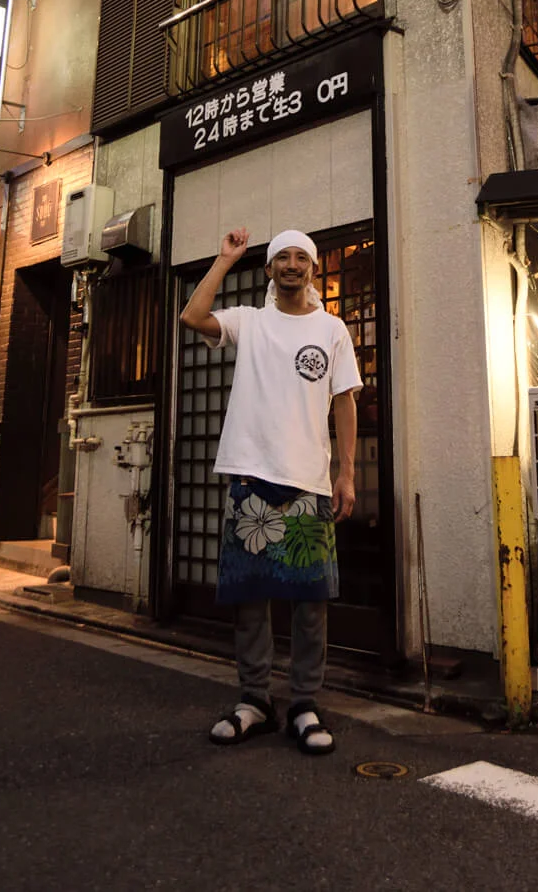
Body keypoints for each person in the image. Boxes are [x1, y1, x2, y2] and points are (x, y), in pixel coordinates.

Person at [180, 227, 360, 756]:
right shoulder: (250, 321)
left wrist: (346, 473)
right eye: (280, 257)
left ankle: (304, 703)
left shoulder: (331, 329)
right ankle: (254, 701)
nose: (290, 264)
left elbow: (345, 402)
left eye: (300, 257)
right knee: (249, 600)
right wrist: (224, 258)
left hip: (308, 480)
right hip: (250, 475)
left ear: (312, 268)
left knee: (310, 603)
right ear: (268, 270)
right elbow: (193, 318)